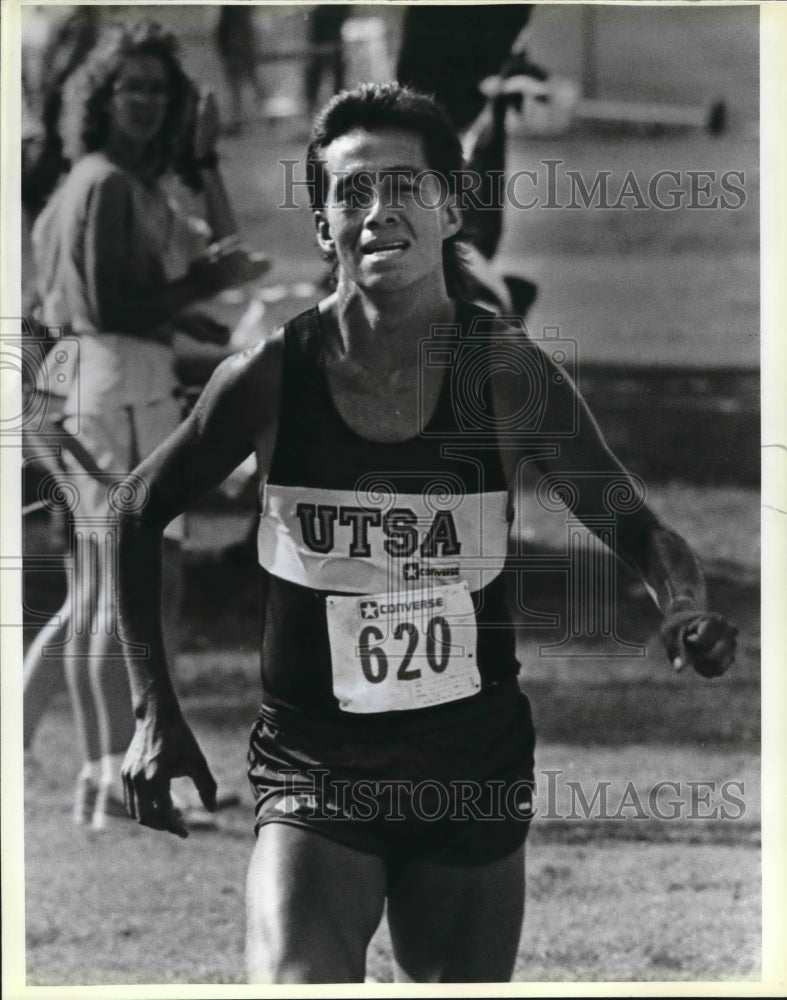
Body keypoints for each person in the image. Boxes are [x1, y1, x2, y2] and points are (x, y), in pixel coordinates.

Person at [117, 83, 737, 983]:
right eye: (352, 192)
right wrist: (153, 713)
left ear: (451, 210)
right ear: (323, 225)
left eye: (406, 185)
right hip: (316, 760)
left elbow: (638, 530)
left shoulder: (507, 375)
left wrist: (681, 608)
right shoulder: (267, 377)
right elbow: (134, 509)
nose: (379, 210)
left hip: (469, 761)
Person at [28, 20, 269, 830]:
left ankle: (98, 771)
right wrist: (201, 287)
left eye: (159, 89)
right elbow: (107, 307)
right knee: (128, 592)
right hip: (117, 395)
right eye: (130, 86)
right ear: (100, 96)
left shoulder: (114, 180)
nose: (146, 101)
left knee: (101, 594)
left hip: (111, 387)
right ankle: (114, 774)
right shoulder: (103, 183)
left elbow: (116, 303)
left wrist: (191, 307)